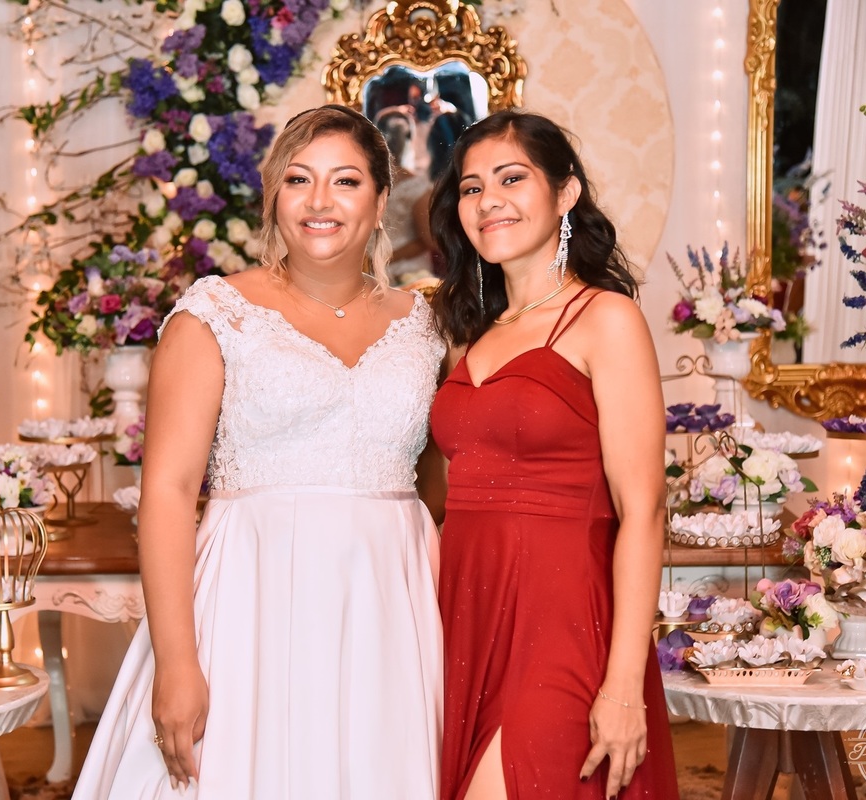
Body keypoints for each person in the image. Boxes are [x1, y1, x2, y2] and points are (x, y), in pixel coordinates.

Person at [73, 104, 445, 799]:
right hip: (252, 601)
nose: (320, 201)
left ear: (380, 202)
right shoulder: (216, 314)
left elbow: (441, 484)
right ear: (274, 198)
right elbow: (168, 493)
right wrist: (176, 663)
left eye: (345, 181)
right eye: (298, 180)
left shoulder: (425, 326)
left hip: (392, 606)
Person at [427, 110, 678, 800]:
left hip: (562, 617)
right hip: (463, 616)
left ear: (566, 192)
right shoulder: (470, 336)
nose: (489, 201)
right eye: (472, 188)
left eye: (511, 179)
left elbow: (644, 510)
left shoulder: (606, 319)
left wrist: (623, 683)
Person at [376, 109, 435, 284]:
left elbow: (428, 240)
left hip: (404, 272)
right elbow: (430, 240)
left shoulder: (416, 188)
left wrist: (381, 259)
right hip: (381, 268)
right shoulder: (418, 187)